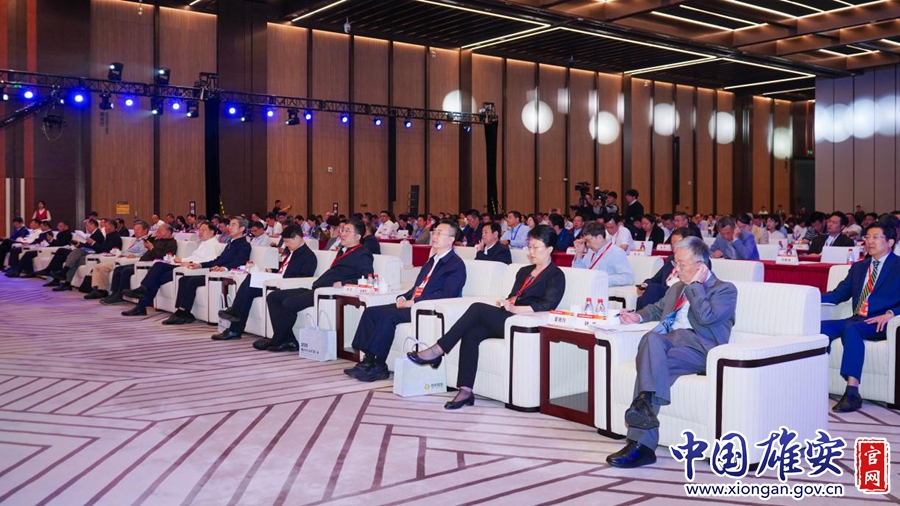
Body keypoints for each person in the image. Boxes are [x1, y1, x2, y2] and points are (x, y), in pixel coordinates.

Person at [608, 237, 737, 468]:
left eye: (681, 264)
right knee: (652, 359)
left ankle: (640, 424)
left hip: (701, 350)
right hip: (671, 348)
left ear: (700, 266)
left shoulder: (724, 289)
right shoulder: (677, 287)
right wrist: (637, 316)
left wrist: (695, 286)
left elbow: (706, 317)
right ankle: (642, 441)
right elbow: (657, 309)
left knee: (652, 343)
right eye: (675, 263)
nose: (676, 269)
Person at [407, 225, 566, 409]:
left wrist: (515, 308)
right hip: (507, 317)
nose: (531, 252)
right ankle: (465, 390)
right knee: (472, 333)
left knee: (477, 308)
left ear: (549, 249)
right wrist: (507, 302)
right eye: (529, 247)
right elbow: (514, 296)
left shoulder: (555, 275)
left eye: (536, 248)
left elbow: (546, 305)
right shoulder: (524, 271)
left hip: (523, 324)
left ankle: (438, 350)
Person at [345, 220, 467, 382]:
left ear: (451, 239)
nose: (435, 236)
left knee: (388, 316)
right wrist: (404, 296)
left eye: (440, 233)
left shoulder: (456, 265)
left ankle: (379, 366)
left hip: (426, 308)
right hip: (413, 303)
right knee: (371, 311)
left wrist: (414, 302)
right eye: (435, 232)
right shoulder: (432, 260)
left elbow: (447, 294)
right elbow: (418, 286)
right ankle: (367, 361)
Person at [258, 218, 374, 352]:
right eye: (342, 230)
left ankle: (277, 340)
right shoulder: (344, 250)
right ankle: (288, 340)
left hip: (326, 292)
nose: (342, 233)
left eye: (347, 231)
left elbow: (367, 278)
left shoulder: (363, 254)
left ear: (358, 236)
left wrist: (343, 283)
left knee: (289, 303)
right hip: (316, 288)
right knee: (273, 297)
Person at [820, 222, 900, 413]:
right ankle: (814, 379)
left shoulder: (898, 266)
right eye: (867, 237)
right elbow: (838, 295)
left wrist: (891, 314)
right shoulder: (859, 267)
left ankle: (852, 392)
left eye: (875, 237)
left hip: (880, 321)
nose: (869, 241)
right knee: (819, 327)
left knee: (851, 329)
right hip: (857, 318)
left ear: (890, 242)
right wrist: (808, 296)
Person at [214, 225, 317, 340]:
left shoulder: (308, 256)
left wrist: (280, 278)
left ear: (297, 237)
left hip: (284, 285)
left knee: (250, 283)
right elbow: (285, 270)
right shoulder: (293, 251)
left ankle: (235, 320)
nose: (286, 245)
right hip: (277, 281)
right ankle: (234, 325)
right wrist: (272, 271)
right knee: (251, 279)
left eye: (287, 242)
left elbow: (303, 278)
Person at [160, 218, 253, 325]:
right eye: (230, 225)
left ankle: (183, 312)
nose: (230, 227)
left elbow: (239, 262)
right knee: (184, 279)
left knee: (191, 281)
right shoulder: (230, 244)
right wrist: (200, 265)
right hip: (214, 271)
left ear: (242, 228)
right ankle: (181, 311)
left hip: (223, 275)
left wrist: (224, 268)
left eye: (233, 225)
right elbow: (218, 260)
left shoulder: (244, 245)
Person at [120, 221, 221, 316]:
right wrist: (181, 259)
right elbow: (194, 257)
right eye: (200, 230)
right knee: (158, 266)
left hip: (191, 269)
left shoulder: (214, 245)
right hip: (184, 265)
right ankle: (142, 294)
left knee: (155, 279)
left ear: (212, 232)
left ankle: (141, 301)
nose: (200, 233)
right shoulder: (203, 243)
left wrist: (189, 263)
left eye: (203, 230)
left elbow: (208, 262)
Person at [49, 219, 122, 291]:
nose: (104, 228)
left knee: (75, 254)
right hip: (95, 254)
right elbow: (101, 248)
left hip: (99, 257)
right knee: (74, 257)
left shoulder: (115, 237)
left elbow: (106, 250)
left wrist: (93, 243)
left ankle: (64, 276)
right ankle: (66, 282)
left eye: (106, 227)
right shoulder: (109, 236)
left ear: (112, 227)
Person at [636, 228, 688, 310]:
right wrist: (645, 285)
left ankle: (642, 316)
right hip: (663, 293)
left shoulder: (694, 262)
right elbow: (655, 279)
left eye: (677, 245)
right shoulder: (671, 259)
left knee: (654, 289)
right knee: (645, 295)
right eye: (672, 245)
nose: (674, 249)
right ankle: (640, 316)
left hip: (677, 293)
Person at [572, 222, 633, 287]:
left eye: (588, 241)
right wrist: (579, 254)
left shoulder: (616, 252)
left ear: (599, 237)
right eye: (585, 241)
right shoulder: (591, 251)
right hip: (589, 288)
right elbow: (580, 272)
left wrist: (602, 279)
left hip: (606, 290)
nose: (587, 244)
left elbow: (628, 278)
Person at [7, 221, 72, 278]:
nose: (58, 227)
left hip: (46, 249)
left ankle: (21, 271)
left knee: (28, 254)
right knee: (26, 253)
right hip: (44, 248)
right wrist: (50, 241)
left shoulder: (67, 234)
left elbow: (61, 244)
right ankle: (19, 270)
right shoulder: (60, 233)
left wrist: (51, 240)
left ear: (66, 227)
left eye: (60, 226)